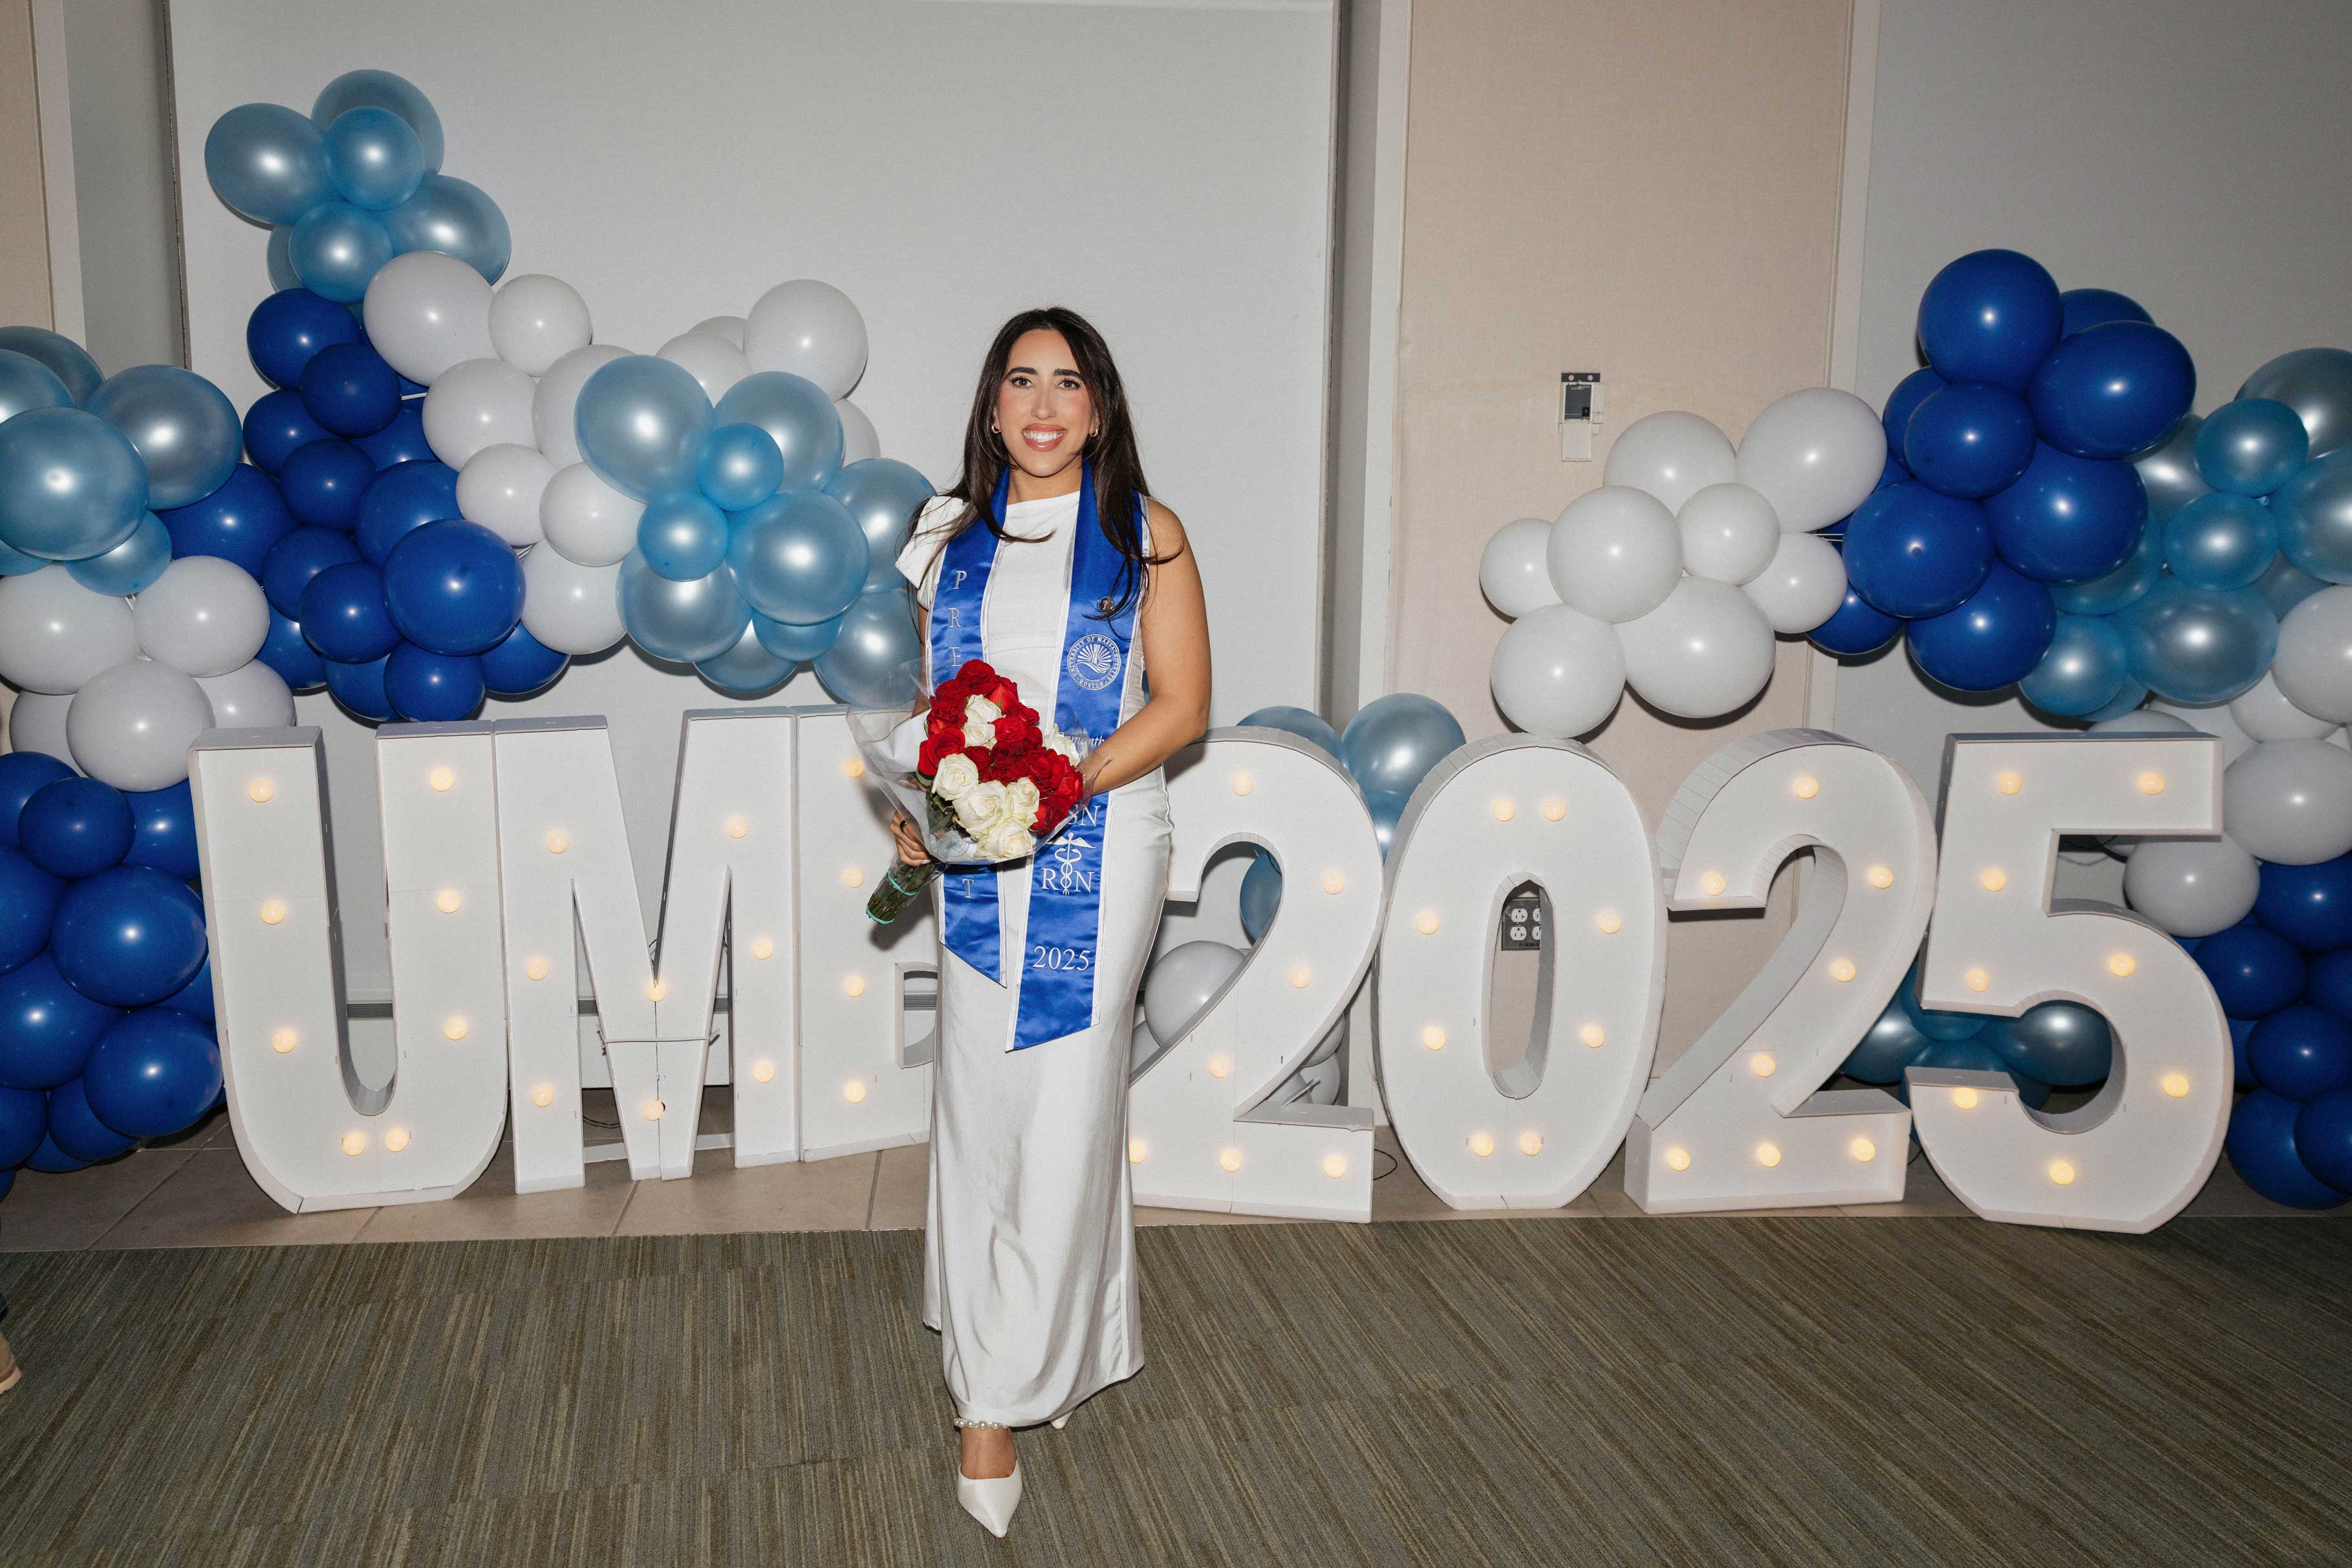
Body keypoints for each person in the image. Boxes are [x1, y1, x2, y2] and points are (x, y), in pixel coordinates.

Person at [890, 306, 1210, 1536]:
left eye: (1066, 382)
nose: (1042, 404)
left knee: (1068, 1095)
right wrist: (921, 808)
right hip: (977, 846)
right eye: (1019, 380)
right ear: (990, 405)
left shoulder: (1143, 533)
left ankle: (996, 1395)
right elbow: (933, 701)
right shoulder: (941, 534)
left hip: (1102, 837)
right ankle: (1042, 1331)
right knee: (980, 1095)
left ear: (1099, 407)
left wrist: (1062, 782)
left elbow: (1182, 703)